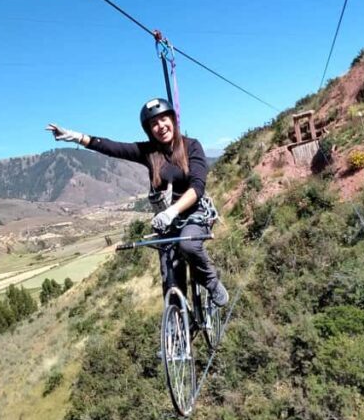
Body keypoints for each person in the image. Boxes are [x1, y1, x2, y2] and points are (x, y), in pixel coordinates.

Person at [47, 97, 229, 307]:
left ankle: (211, 282)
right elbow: (112, 147)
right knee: (171, 286)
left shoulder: (191, 147)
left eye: (163, 119)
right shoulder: (149, 153)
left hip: (194, 215)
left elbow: (197, 187)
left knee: (187, 244)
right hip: (167, 224)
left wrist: (172, 211)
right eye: (154, 123)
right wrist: (76, 137)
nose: (160, 126)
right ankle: (179, 333)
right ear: (149, 129)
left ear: (173, 119)